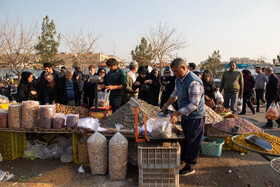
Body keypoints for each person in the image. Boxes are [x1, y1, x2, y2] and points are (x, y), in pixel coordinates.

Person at [161, 58, 205, 176]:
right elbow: (174, 94)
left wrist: (176, 113)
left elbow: (194, 104)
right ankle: (185, 158)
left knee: (193, 140)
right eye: (173, 72)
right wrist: (166, 105)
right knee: (185, 138)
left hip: (195, 116)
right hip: (185, 115)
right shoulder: (179, 79)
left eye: (175, 71)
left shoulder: (193, 82)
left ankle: (190, 165)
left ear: (184, 68)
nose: (174, 74)